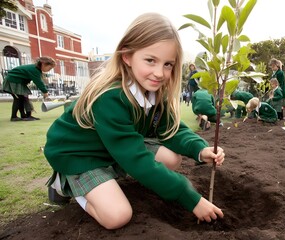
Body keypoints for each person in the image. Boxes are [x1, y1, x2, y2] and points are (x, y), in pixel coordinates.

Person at [43, 13, 225, 230]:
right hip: (80, 153)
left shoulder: (154, 92)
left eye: (168, 64)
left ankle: (110, 178)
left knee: (172, 159)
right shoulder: (110, 97)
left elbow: (171, 130)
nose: (160, 73)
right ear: (127, 56)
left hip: (114, 146)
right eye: (150, 60)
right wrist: (190, 198)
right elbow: (135, 158)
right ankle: (64, 185)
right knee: (117, 216)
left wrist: (199, 149)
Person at [2, 56, 55, 121]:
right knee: (19, 98)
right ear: (43, 64)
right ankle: (14, 117)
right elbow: (39, 82)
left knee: (22, 98)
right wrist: (45, 92)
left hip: (17, 81)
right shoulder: (34, 69)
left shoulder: (35, 69)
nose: (49, 70)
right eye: (49, 68)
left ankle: (24, 115)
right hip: (13, 81)